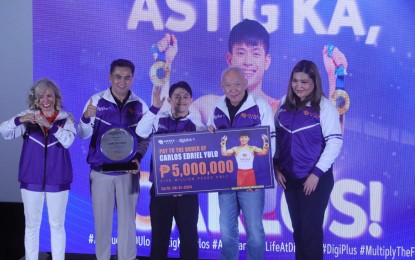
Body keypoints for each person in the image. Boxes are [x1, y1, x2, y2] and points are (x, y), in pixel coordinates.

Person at [77, 59, 150, 260]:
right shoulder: (95, 101)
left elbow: (145, 138)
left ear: (133, 79)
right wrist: (85, 118)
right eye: (118, 77)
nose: (122, 81)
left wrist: (137, 158)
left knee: (128, 223)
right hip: (101, 172)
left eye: (127, 77)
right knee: (102, 223)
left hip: (128, 172)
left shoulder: (140, 104)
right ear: (110, 77)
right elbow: (82, 134)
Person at [273, 60, 343, 259]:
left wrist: (316, 174)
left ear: (314, 82)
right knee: (299, 232)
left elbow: (335, 142)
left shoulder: (324, 107)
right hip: (290, 180)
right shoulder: (283, 104)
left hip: (315, 180)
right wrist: (276, 166)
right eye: (295, 81)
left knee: (311, 233)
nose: (299, 86)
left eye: (304, 81)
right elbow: (275, 138)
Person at [0, 78, 75, 260]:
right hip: (30, 180)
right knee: (32, 225)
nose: (46, 100)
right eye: (41, 96)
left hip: (58, 180)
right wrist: (19, 120)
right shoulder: (28, 118)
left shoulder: (66, 119)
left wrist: (51, 126)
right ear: (36, 99)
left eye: (49, 95)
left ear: (56, 97)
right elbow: (4, 132)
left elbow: (68, 142)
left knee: (57, 225)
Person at [207, 67, 275, 260]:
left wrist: (261, 176)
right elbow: (213, 141)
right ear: (222, 86)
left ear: (245, 83)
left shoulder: (260, 106)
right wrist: (208, 131)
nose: (233, 89)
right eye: (228, 85)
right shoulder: (217, 107)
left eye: (237, 84)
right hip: (226, 180)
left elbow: (271, 143)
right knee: (227, 229)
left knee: (254, 228)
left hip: (252, 179)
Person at [136, 81, 206, 260]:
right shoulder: (159, 118)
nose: (180, 100)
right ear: (169, 99)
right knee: (159, 238)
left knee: (189, 238)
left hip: (188, 193)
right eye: (176, 96)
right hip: (161, 191)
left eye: (184, 97)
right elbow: (141, 132)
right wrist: (154, 108)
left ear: (191, 100)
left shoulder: (198, 126)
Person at [193, 19, 275, 122]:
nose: (248, 62)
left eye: (256, 54)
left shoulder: (279, 111)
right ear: (230, 59)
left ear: (266, 62)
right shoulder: (209, 106)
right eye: (241, 53)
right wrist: (166, 61)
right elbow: (172, 125)